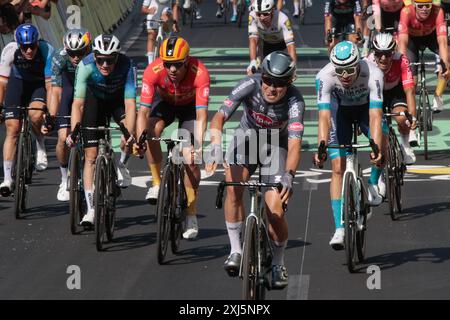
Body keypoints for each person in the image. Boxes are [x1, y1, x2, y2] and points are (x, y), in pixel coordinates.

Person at [206, 51, 305, 289]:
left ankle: (279, 262)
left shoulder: (295, 101)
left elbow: (294, 146)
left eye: (279, 84)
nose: (272, 88)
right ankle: (236, 250)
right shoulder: (249, 84)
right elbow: (219, 117)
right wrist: (215, 146)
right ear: (261, 77)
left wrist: (289, 176)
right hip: (246, 140)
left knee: (275, 212)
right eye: (268, 80)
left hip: (276, 147)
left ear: (289, 82)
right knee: (232, 188)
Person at [136, 36, 210, 240]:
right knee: (151, 130)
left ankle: (192, 214)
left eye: (177, 65)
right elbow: (142, 112)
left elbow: (202, 115)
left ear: (186, 61)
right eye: (168, 65)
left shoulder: (200, 72)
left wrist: (199, 145)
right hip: (165, 103)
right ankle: (157, 183)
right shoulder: (153, 70)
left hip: (190, 109)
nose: (172, 70)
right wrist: (140, 139)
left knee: (191, 158)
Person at [314, 41, 384, 250]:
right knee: (337, 167)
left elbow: (375, 115)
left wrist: (376, 147)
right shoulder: (324, 76)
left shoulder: (374, 73)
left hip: (365, 109)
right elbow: (324, 117)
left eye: (350, 70)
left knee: (383, 138)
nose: (344, 75)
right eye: (340, 70)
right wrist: (321, 147)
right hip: (340, 112)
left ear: (359, 64)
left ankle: (372, 183)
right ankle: (339, 228)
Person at [66, 34, 136, 225]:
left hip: (116, 102)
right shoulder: (85, 66)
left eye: (110, 60)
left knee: (131, 135)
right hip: (93, 102)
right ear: (94, 56)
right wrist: (74, 131)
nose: (105, 65)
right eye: (101, 60)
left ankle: (121, 163)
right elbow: (78, 104)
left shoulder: (127, 66)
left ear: (116, 58)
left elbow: (130, 105)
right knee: (90, 156)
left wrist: (128, 134)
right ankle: (91, 210)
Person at [0, 23, 54, 196]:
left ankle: (40, 143)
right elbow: (2, 83)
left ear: (37, 43)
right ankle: (7, 178)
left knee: (35, 114)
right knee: (12, 128)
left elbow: (51, 87)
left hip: (39, 85)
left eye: (32, 46)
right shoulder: (10, 50)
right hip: (17, 83)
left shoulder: (47, 50)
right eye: (25, 47)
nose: (29, 50)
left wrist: (50, 114)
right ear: (18, 44)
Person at [41, 28, 92, 202]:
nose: (76, 57)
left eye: (79, 52)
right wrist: (50, 117)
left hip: (90, 90)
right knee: (63, 138)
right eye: (72, 53)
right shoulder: (59, 57)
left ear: (88, 49)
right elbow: (55, 91)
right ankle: (64, 179)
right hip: (69, 89)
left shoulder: (95, 56)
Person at [367, 32, 418, 166]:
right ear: (374, 53)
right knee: (379, 132)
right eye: (379, 53)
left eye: (388, 54)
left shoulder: (401, 59)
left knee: (402, 118)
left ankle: (405, 145)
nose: (383, 58)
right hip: (376, 93)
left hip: (395, 91)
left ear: (393, 52)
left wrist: (412, 119)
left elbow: (410, 90)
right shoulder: (367, 62)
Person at [398, 0, 450, 113]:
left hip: (431, 38)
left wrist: (444, 63)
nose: (424, 9)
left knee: (447, 60)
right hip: (412, 41)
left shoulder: (438, 12)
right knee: (411, 81)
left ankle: (438, 95)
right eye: (420, 6)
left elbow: (442, 41)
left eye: (427, 5)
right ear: (414, 5)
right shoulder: (406, 12)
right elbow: (402, 41)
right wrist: (402, 64)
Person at [247, 0, 296, 75]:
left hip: (282, 45)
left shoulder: (283, 19)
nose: (262, 17)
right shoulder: (252, 16)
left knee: (283, 73)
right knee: (255, 72)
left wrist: (293, 67)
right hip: (265, 44)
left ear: (273, 11)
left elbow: (290, 46)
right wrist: (252, 61)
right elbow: (253, 40)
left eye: (265, 14)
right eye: (258, 14)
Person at [142, 0, 179, 65]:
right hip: (153, 15)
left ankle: (168, 39)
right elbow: (143, 9)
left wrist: (175, 22)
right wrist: (149, 11)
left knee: (165, 16)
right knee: (151, 36)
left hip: (167, 12)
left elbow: (175, 6)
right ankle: (150, 63)